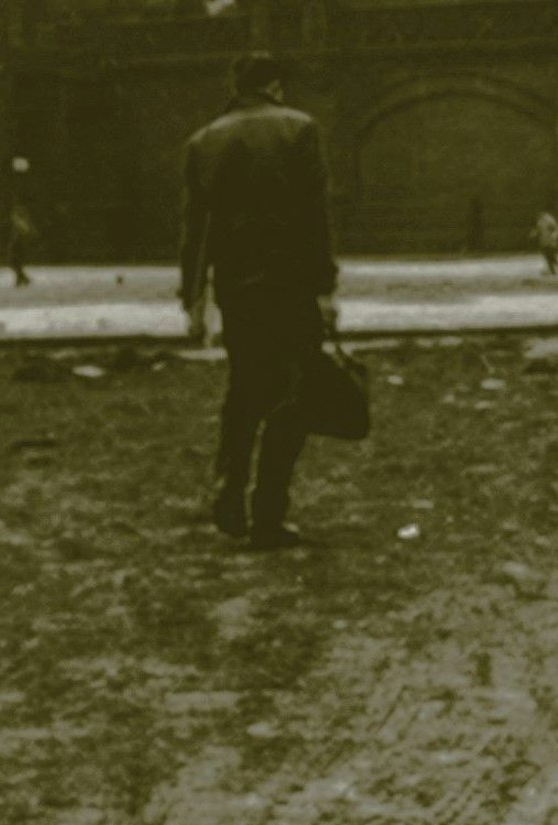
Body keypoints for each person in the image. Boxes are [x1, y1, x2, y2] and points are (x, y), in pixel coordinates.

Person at [177, 51, 339, 550]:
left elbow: (194, 229)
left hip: (237, 287)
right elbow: (316, 216)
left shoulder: (203, 141)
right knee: (294, 394)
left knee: (245, 387)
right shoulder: (300, 129)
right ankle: (269, 512)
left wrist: (193, 299)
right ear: (274, 86)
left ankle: (228, 491)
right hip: (291, 285)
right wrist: (326, 288)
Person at [530, 209, 558, 275]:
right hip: (543, 241)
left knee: (550, 255)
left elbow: (557, 229)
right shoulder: (540, 220)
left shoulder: (549, 219)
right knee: (549, 256)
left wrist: (554, 236)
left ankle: (553, 270)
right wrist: (534, 233)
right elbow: (538, 229)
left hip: (550, 241)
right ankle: (556, 269)